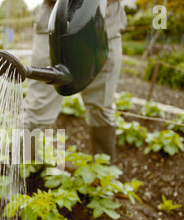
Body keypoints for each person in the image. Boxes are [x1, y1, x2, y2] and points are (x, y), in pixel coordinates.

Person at [23, 0, 127, 163]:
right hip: (56, 28)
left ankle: (104, 171)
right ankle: (21, 166)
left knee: (102, 107)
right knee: (38, 107)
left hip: (105, 28)